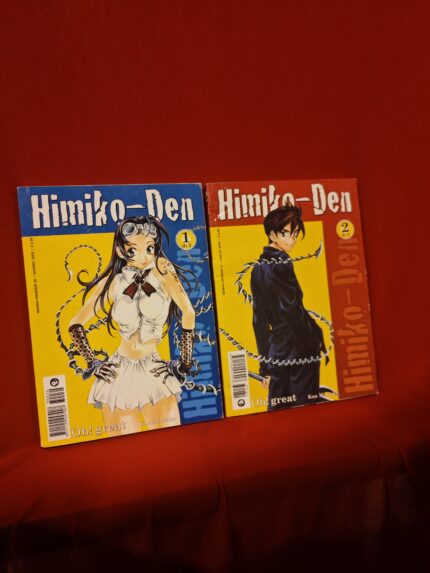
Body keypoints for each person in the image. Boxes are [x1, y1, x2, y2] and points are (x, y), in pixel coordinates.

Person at [68, 215, 196, 434]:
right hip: (118, 373)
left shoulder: (162, 270)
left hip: (154, 370)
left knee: (169, 441)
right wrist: (93, 363)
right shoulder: (113, 283)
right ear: (120, 251)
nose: (144, 257)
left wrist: (184, 365)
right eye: (133, 250)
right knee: (122, 445)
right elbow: (75, 324)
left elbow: (188, 312)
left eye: (149, 248)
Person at [250, 204, 326, 411]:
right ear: (272, 234)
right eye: (285, 233)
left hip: (277, 350)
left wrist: (265, 366)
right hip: (300, 346)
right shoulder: (282, 262)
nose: (291, 240)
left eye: (294, 234)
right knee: (306, 408)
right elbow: (292, 309)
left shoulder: (257, 269)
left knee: (278, 409)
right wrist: (314, 334)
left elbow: (259, 321)